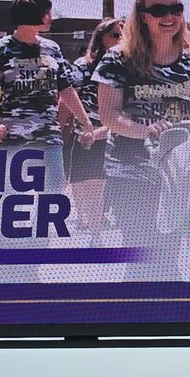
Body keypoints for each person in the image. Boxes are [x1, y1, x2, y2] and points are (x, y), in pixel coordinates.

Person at [94, 0, 190, 251]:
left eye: (176, 9)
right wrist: (147, 130)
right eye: (159, 10)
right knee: (144, 257)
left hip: (185, 172)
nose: (169, 17)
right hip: (134, 172)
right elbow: (108, 114)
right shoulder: (118, 59)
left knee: (185, 254)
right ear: (142, 16)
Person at [0, 0, 94, 196]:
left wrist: (86, 122)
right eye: (47, 13)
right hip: (11, 137)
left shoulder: (52, 48)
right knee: (10, 199)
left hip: (48, 136)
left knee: (53, 196)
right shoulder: (0, 49)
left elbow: (66, 89)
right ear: (32, 14)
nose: (51, 18)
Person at [62, 17, 123, 238]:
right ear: (101, 38)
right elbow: (67, 96)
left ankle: (97, 235)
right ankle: (93, 228)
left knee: (98, 187)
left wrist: (101, 131)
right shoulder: (82, 66)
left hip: (115, 134)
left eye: (124, 35)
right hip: (83, 134)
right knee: (82, 186)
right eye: (115, 35)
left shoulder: (127, 68)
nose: (120, 40)